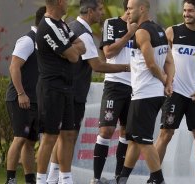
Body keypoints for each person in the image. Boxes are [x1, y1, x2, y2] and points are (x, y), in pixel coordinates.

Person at [45, 0, 132, 184]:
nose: (102, 13)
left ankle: (53, 178)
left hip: (66, 89)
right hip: (74, 92)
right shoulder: (83, 33)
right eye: (99, 10)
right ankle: (62, 178)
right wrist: (127, 67)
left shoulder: (70, 27)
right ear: (90, 12)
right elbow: (98, 65)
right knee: (68, 137)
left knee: (63, 137)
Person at [154, 0, 195, 184]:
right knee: (166, 134)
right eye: (184, 10)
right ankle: (154, 177)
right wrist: (166, 81)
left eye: (190, 11)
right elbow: (160, 58)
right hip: (174, 92)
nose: (186, 14)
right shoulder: (172, 31)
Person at [116, 0, 175, 184]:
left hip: (145, 94)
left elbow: (151, 64)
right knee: (134, 138)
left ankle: (158, 180)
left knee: (144, 141)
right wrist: (168, 82)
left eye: (130, 8)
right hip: (151, 93)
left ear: (142, 9)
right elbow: (170, 62)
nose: (127, 11)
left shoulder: (142, 32)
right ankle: (122, 179)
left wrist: (166, 81)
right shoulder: (159, 30)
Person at [35, 0, 86, 184]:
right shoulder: (48, 25)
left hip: (66, 87)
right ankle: (41, 180)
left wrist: (72, 49)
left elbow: (82, 46)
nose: (68, 3)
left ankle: (65, 179)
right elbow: (73, 56)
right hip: (51, 89)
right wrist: (72, 50)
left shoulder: (62, 24)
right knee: (49, 136)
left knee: (68, 134)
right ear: (58, 2)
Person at [90, 0, 139, 183]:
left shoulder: (144, 29)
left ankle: (119, 179)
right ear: (127, 8)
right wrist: (129, 34)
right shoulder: (111, 23)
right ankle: (95, 178)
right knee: (106, 130)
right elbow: (108, 53)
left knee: (127, 133)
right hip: (114, 84)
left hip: (136, 87)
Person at [5, 6, 46, 184]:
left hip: (35, 100)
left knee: (30, 142)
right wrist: (21, 93)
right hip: (19, 98)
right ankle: (11, 180)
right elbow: (14, 67)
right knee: (20, 138)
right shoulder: (28, 40)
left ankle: (30, 180)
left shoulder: (44, 42)